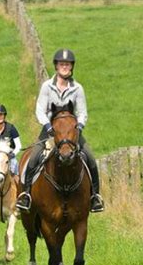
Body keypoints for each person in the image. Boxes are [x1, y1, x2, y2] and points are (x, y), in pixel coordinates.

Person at [15, 49, 104, 213]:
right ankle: (26, 194)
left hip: (72, 133)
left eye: (68, 64)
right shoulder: (47, 87)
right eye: (62, 64)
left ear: (71, 67)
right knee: (34, 158)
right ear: (56, 66)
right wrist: (48, 126)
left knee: (90, 159)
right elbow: (40, 110)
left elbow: (82, 112)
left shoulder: (78, 88)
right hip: (50, 131)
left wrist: (80, 127)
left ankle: (95, 197)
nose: (65, 67)